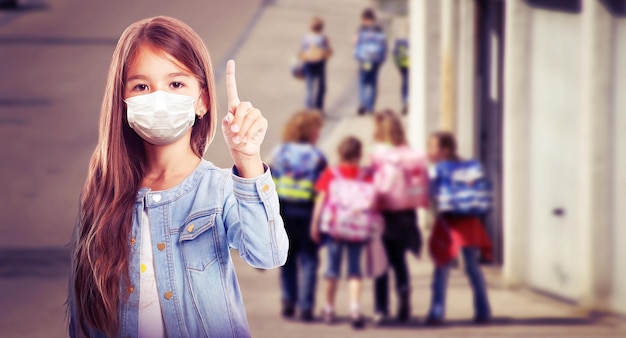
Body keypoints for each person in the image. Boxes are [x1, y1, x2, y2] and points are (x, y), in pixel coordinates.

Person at [67, 16, 289, 338]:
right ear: (124, 101)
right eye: (141, 86)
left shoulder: (220, 188)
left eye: (176, 84)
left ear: (202, 100)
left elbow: (268, 253)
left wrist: (248, 159)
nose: (159, 98)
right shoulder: (103, 193)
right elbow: (82, 314)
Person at [424, 131, 493, 325]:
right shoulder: (470, 167)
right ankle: (483, 310)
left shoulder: (438, 170)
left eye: (432, 147)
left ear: (444, 150)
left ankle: (437, 312)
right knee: (473, 268)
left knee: (441, 266)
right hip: (470, 222)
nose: (429, 151)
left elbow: (430, 195)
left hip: (448, 223)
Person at [370, 110, 427, 324]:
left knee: (381, 263)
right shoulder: (411, 154)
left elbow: (373, 184)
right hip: (407, 213)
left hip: (384, 212)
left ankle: (381, 309)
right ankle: (404, 297)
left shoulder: (379, 154)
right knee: (400, 260)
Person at [269, 110, 327, 321]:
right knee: (309, 259)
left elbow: (271, 183)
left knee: (287, 258)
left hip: (284, 211)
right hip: (308, 211)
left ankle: (288, 300)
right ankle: (306, 306)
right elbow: (322, 188)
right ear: (310, 132)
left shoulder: (280, 152)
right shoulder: (317, 157)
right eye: (317, 129)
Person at [310, 136, 369, 329]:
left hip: (335, 229)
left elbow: (320, 201)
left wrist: (315, 224)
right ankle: (354, 309)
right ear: (359, 154)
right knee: (355, 271)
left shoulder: (331, 173)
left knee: (332, 270)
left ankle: (328, 308)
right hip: (357, 228)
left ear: (340, 152)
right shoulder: (364, 175)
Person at [354, 8, 387, 115]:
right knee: (373, 83)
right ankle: (371, 106)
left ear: (364, 18)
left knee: (362, 82)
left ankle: (363, 103)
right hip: (376, 59)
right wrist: (382, 58)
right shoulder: (379, 29)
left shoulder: (362, 29)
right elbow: (384, 44)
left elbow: (355, 41)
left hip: (364, 59)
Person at [299, 16, 332, 111]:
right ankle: (319, 107)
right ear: (321, 27)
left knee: (309, 86)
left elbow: (301, 51)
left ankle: (309, 108)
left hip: (308, 62)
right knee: (321, 86)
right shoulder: (323, 38)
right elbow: (329, 50)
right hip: (320, 63)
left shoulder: (306, 38)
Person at [392, 36, 409, 114]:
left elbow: (394, 51)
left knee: (405, 82)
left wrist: (397, 62)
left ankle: (405, 101)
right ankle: (407, 101)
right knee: (407, 82)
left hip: (403, 62)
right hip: (411, 62)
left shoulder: (400, 38)